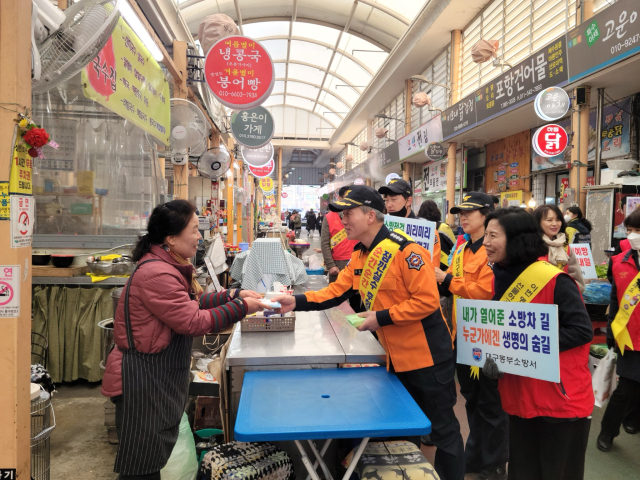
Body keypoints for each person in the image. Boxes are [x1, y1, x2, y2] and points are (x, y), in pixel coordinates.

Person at [273, 186, 465, 480]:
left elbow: (427, 301)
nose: (343, 221)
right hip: (394, 360)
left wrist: (381, 318)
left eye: (348, 214)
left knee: (444, 432)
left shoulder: (406, 250)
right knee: (403, 430)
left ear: (371, 215)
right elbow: (335, 292)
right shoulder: (361, 255)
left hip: (428, 358)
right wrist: (295, 302)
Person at [101, 200, 268, 479]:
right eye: (194, 229)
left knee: (149, 464)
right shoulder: (157, 274)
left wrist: (233, 296)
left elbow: (194, 302)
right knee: (141, 469)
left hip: (154, 377)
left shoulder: (169, 264)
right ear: (171, 238)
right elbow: (193, 321)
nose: (199, 236)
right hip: (141, 380)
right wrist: (242, 308)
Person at [482, 207, 593, 480]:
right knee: (522, 472)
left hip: (560, 401)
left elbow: (581, 331)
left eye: (493, 235)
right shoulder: (499, 277)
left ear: (516, 239)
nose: (485, 242)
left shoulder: (555, 280)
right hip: (520, 399)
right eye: (485, 234)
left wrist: (523, 345)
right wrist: (494, 358)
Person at [436, 192, 507, 480]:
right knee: (472, 400)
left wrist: (448, 280)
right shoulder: (462, 248)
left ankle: (494, 463)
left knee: (492, 403)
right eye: (460, 213)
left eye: (470, 212)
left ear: (488, 214)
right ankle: (476, 456)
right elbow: (454, 288)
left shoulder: (492, 252)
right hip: (462, 337)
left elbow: (486, 291)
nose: (462, 217)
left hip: (488, 338)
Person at [597, 208, 640, 452]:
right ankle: (607, 431)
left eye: (639, 231)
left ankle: (633, 420)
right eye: (630, 230)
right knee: (625, 389)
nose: (633, 236)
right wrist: (611, 332)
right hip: (629, 337)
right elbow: (615, 300)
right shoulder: (619, 262)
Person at [320, 186, 361, 312]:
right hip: (337, 265)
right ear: (339, 198)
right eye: (346, 198)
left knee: (357, 302)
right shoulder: (329, 217)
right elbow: (325, 243)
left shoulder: (359, 216)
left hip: (357, 264)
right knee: (336, 303)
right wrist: (330, 265)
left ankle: (357, 331)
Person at [533, 205, 585, 293]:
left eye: (558, 219)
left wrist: (560, 290)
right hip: (536, 301)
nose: (555, 224)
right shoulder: (530, 246)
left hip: (561, 300)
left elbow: (578, 282)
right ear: (537, 222)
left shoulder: (565, 247)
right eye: (549, 220)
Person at [418, 199, 456, 270]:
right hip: (443, 268)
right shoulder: (443, 227)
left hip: (424, 265)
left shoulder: (419, 229)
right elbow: (455, 246)